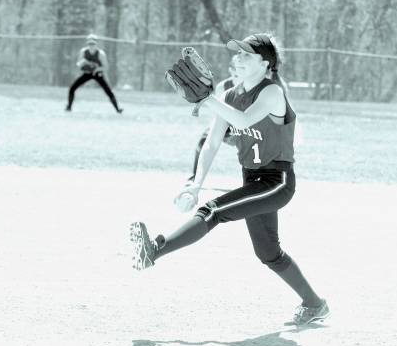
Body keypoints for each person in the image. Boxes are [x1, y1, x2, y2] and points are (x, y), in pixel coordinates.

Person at [130, 33, 329, 326]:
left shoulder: (272, 92)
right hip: (253, 180)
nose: (239, 58)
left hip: (277, 182)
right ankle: (315, 305)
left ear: (266, 63)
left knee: (212, 212)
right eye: (238, 54)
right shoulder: (230, 95)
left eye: (247, 54)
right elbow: (210, 144)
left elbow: (244, 120)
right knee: (268, 253)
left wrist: (208, 99)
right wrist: (195, 184)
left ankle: (154, 251)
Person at [187, 55, 240, 183]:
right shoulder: (223, 87)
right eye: (236, 68)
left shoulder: (252, 86)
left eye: (243, 67)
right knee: (203, 141)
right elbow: (220, 114)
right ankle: (195, 178)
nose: (239, 72)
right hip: (226, 124)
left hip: (246, 125)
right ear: (231, 70)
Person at [66, 34, 123, 113]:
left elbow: (105, 67)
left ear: (96, 44)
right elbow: (79, 65)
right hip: (87, 73)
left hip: (97, 74)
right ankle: (69, 107)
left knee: (108, 91)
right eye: (90, 43)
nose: (91, 45)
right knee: (72, 88)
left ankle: (117, 109)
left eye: (93, 44)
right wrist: (85, 63)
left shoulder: (100, 54)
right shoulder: (83, 52)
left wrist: (96, 69)